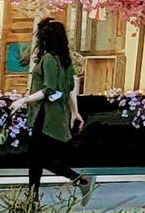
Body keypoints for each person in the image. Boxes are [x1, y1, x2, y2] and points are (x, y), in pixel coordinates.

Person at [8, 17, 93, 201]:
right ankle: (34, 198)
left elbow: (49, 90)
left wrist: (23, 100)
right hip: (57, 115)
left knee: (37, 159)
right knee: (37, 159)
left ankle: (79, 180)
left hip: (44, 115)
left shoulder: (48, 59)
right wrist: (75, 112)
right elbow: (70, 88)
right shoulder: (66, 61)